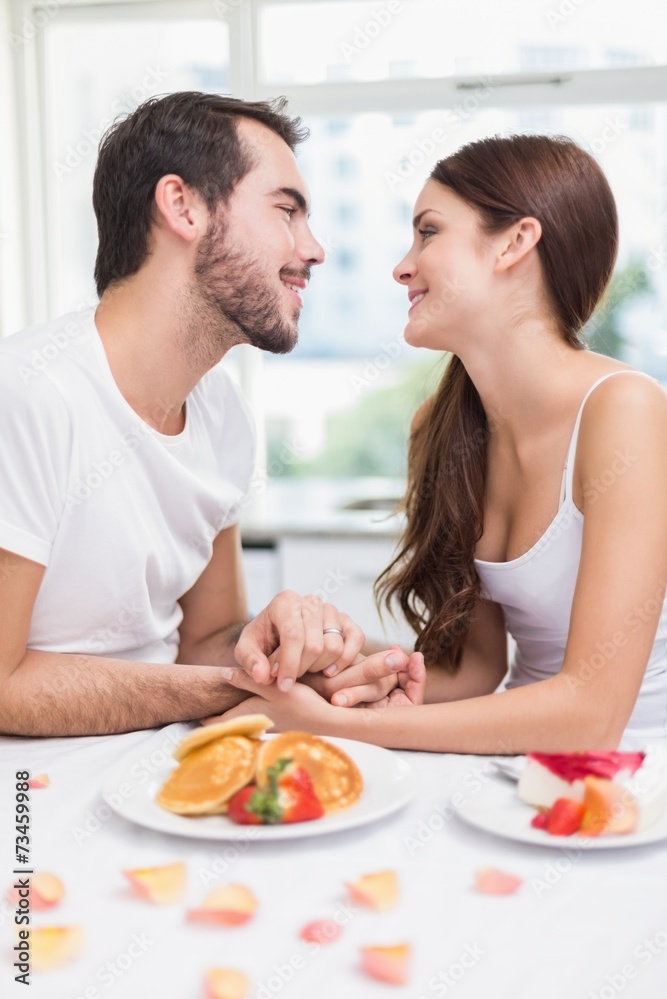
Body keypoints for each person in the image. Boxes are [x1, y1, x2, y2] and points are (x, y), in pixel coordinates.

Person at [217, 133, 667, 752]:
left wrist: (343, 724)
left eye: (428, 232)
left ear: (514, 242)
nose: (403, 266)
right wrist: (329, 669)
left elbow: (592, 715)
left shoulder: (626, 411)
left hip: (637, 784)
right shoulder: (439, 426)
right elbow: (473, 669)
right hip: (516, 768)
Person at [0, 91, 402, 738]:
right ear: (182, 206)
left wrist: (282, 650)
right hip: (26, 804)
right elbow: (3, 685)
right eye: (286, 212)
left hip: (167, 771)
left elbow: (206, 641)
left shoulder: (224, 415)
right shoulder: (25, 395)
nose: (315, 249)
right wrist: (242, 688)